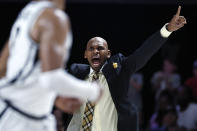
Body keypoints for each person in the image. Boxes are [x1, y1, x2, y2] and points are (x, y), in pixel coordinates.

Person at [65, 6, 186, 131]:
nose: (95, 51)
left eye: (100, 48)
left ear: (108, 54)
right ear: (85, 54)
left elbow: (144, 52)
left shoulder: (119, 69)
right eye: (91, 48)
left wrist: (167, 29)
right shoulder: (76, 71)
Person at [0, 0, 101, 131]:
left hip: (15, 112)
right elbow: (52, 78)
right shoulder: (54, 18)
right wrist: (94, 91)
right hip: (20, 118)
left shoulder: (29, 12)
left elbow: (3, 69)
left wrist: (53, 97)